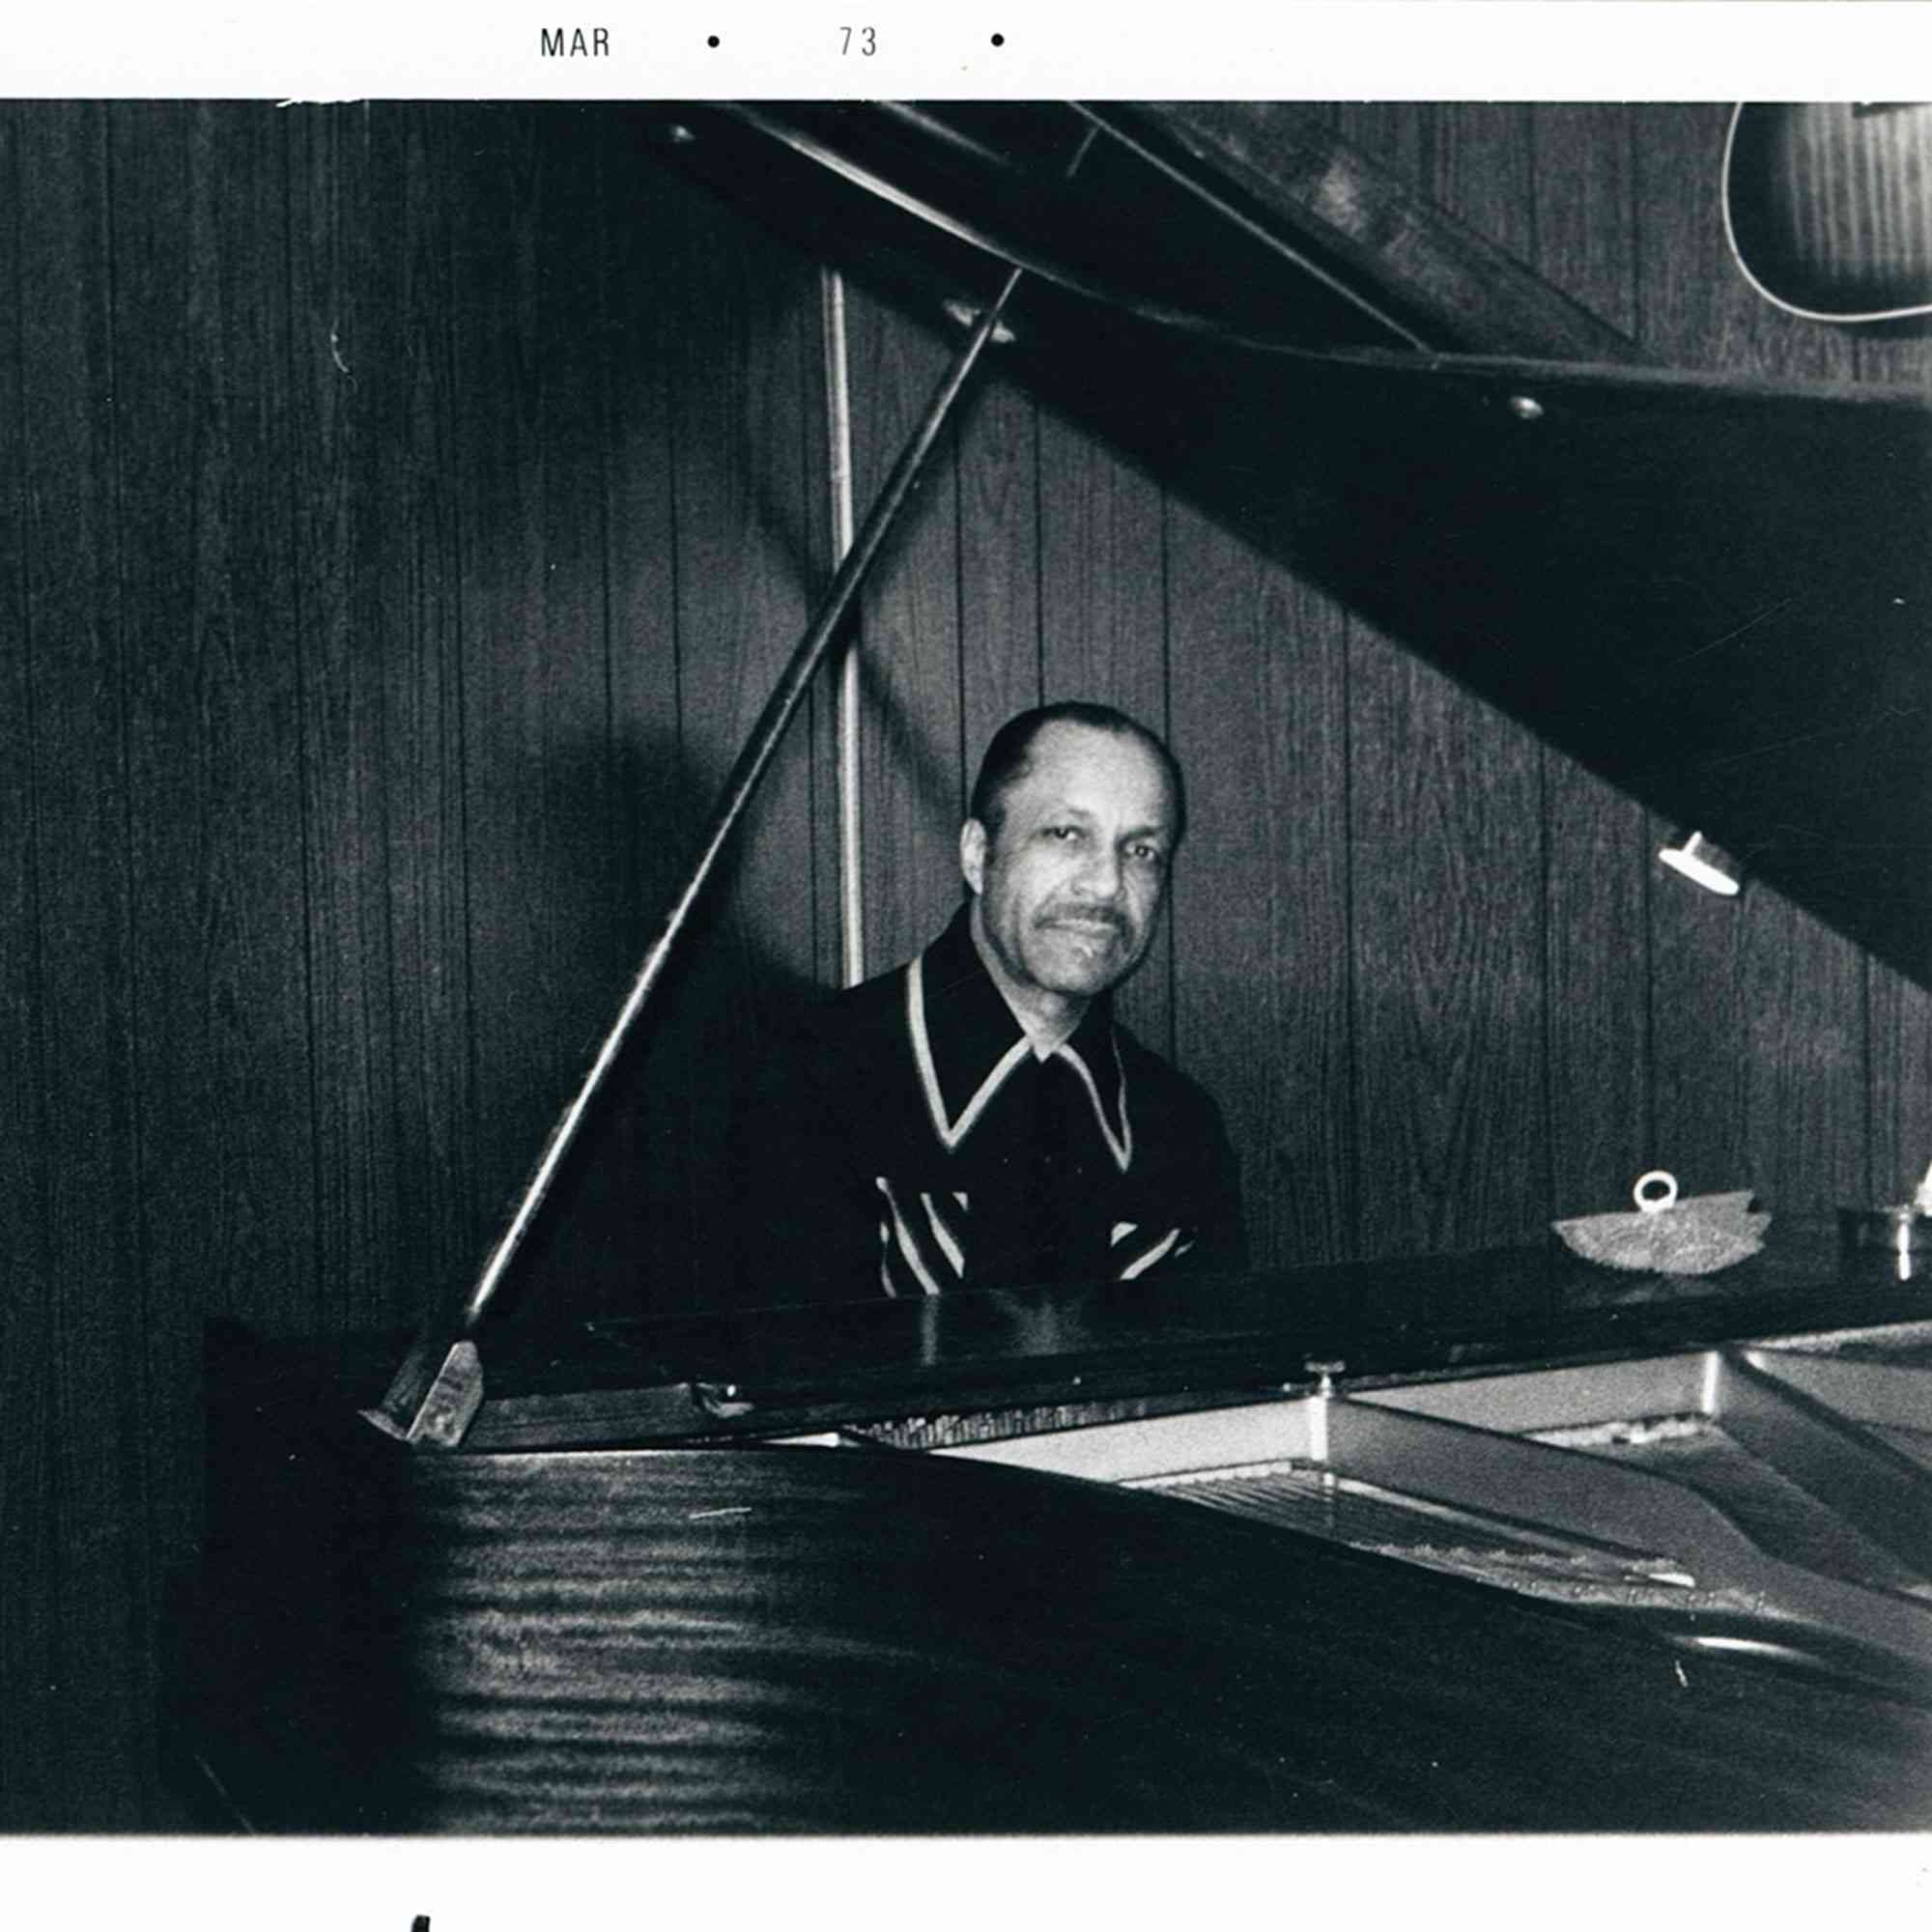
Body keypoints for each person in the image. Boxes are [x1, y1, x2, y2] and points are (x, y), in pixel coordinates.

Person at [736, 701, 1245, 1303]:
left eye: (1141, 851)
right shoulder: (803, 1081)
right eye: (1065, 834)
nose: (1106, 884)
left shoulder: (1179, 1126)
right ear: (979, 855)